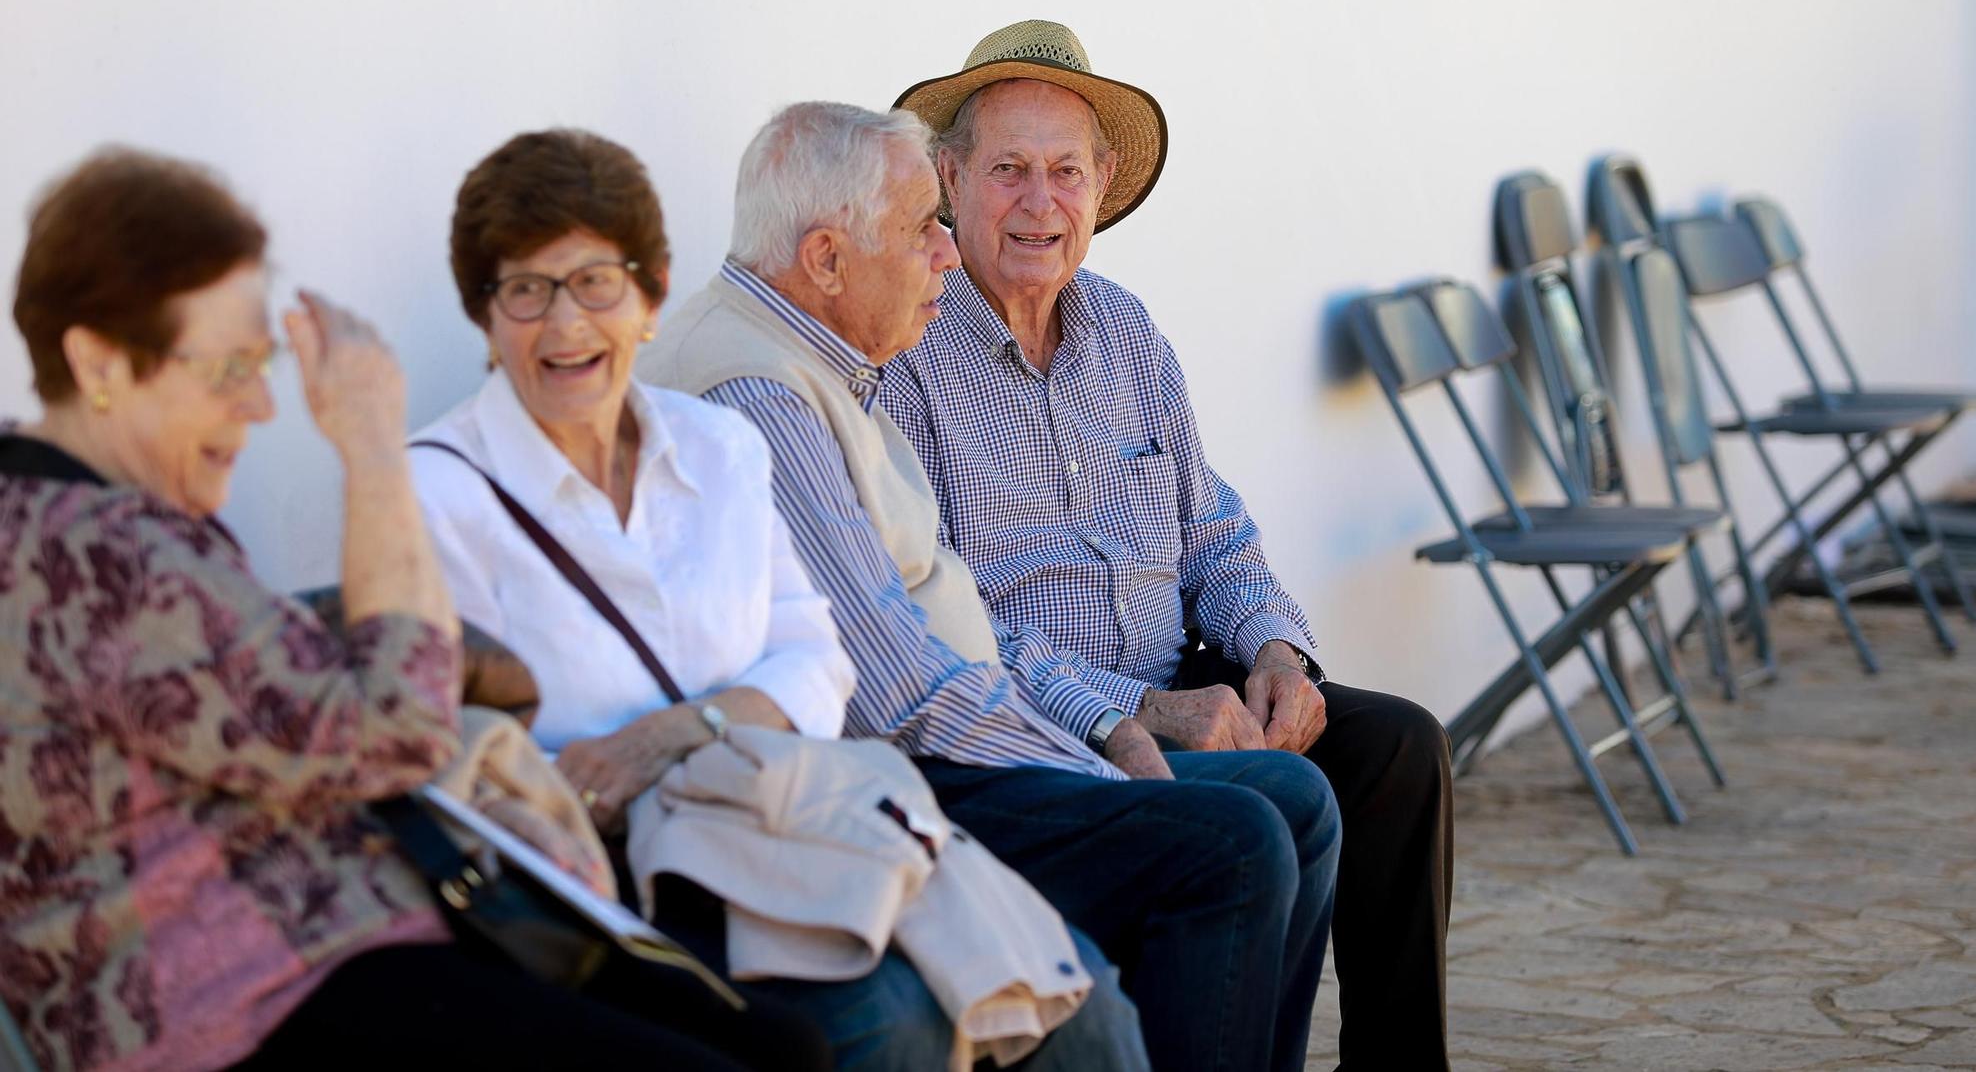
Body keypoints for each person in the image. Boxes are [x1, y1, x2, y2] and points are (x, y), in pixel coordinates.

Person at [0, 148, 809, 1072]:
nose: (263, 404)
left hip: (338, 940)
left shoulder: (74, 518)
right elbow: (397, 734)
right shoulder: (97, 552)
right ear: (96, 361)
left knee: (783, 1044)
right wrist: (373, 447)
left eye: (259, 361)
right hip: (242, 1002)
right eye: (227, 368)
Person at [407, 128, 1148, 1072]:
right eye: (525, 291)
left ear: (649, 296)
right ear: (483, 310)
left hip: (788, 819)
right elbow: (448, 744)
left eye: (596, 285)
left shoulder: (713, 444)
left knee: (1082, 1006)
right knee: (898, 1020)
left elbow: (816, 655)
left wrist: (675, 732)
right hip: (621, 872)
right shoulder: (438, 488)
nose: (565, 326)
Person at [645, 101, 1338, 1072]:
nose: (942, 253)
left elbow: (946, 605)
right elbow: (900, 691)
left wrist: (1106, 724)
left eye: (1066, 171)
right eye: (923, 225)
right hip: (898, 774)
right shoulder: (766, 390)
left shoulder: (831, 364)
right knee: (1232, 841)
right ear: (826, 259)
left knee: (1302, 797)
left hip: (988, 723)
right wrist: (1098, 751)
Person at [879, 19, 1456, 1070]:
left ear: (1101, 184)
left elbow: (1213, 533)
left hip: (1192, 682)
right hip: (1049, 723)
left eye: (1064, 171)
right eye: (1007, 169)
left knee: (1398, 749)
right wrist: (1140, 709)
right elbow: (942, 611)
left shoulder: (1128, 333)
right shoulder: (908, 358)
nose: (1038, 202)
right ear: (949, 180)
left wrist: (1276, 650)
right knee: (1273, 807)